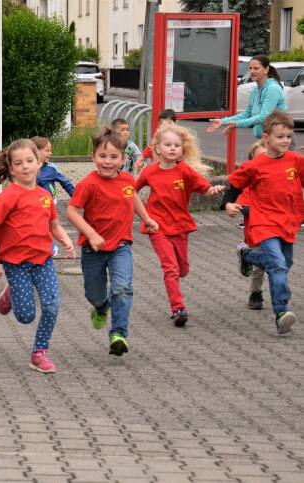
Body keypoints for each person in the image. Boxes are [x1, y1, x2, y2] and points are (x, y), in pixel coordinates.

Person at [0, 139, 75, 373]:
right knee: (25, 316)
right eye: (19, 163)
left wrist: (65, 238)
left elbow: (54, 225)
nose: (25, 167)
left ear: (39, 163)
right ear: (11, 169)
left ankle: (39, 353)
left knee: (52, 305)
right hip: (16, 264)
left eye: (30, 161)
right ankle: (11, 293)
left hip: (43, 261)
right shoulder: (8, 197)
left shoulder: (45, 196)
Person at [66, 127, 159, 356]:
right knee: (94, 294)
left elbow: (132, 196)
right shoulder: (88, 184)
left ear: (123, 157)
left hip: (120, 246)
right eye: (102, 156)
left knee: (123, 288)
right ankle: (101, 307)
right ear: (94, 157)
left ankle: (118, 333)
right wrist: (91, 234)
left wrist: (146, 218)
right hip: (93, 249)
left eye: (113, 157)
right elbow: (72, 212)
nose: (108, 162)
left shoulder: (127, 180)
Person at [222, 111, 304, 335]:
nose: (286, 141)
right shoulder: (256, 165)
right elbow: (235, 185)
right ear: (266, 138)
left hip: (288, 222)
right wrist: (228, 203)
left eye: (288, 136)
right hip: (264, 223)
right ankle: (280, 313)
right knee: (277, 265)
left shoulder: (296, 160)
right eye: (280, 137)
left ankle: (247, 255)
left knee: (284, 265)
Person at [135, 124, 225, 327]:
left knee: (182, 269)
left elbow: (205, 189)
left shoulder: (185, 171)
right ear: (157, 149)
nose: (173, 148)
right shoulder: (149, 172)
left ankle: (178, 280)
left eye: (177, 145)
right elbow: (131, 191)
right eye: (168, 145)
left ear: (182, 149)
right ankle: (177, 308)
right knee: (170, 268)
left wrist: (214, 190)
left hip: (180, 227)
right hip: (157, 227)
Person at [223, 140, 268, 310]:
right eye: (259, 158)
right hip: (255, 232)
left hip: (276, 230)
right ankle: (255, 293)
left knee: (281, 260)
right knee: (258, 268)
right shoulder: (249, 183)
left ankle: (281, 289)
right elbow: (245, 207)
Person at [207, 55, 286, 140]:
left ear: (266, 70)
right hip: (265, 138)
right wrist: (223, 122)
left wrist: (237, 124)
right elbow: (247, 114)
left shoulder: (272, 88)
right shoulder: (255, 90)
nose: (252, 71)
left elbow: (264, 116)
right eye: (250, 68)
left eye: (256, 68)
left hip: (280, 138)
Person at [30, 136, 75, 202]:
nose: (50, 153)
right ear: (36, 152)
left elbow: (65, 183)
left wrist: (76, 198)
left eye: (50, 151)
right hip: (32, 201)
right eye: (47, 151)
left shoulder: (51, 168)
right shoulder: (28, 168)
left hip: (48, 201)